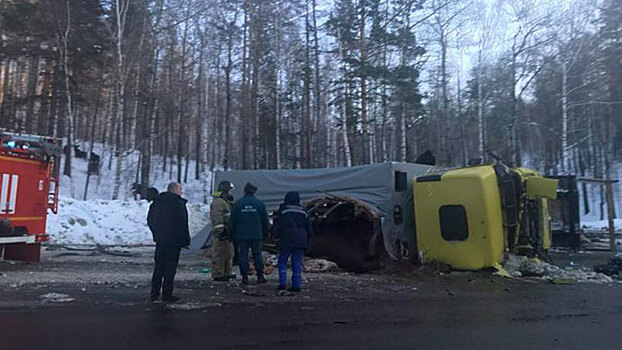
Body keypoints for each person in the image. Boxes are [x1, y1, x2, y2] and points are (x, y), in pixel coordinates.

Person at [147, 182, 190, 302]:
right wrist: (185, 240)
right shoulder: (178, 204)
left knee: (159, 267)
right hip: (174, 242)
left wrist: (157, 234)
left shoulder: (157, 202)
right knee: (170, 268)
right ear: (174, 190)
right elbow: (182, 224)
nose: (182, 192)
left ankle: (154, 293)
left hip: (161, 241)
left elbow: (151, 220)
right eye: (180, 189)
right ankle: (167, 293)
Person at [230, 182, 269, 285]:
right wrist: (266, 234)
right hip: (256, 234)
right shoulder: (259, 204)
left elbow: (232, 221)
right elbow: (265, 220)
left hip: (242, 234)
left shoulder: (238, 204)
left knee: (243, 255)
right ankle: (260, 276)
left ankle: (245, 278)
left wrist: (231, 235)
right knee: (257, 255)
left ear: (244, 191)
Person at [272, 192, 311, 292]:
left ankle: (282, 283)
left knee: (282, 260)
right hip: (301, 239)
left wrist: (275, 236)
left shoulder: (284, 210)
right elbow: (309, 228)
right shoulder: (304, 211)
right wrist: (308, 239)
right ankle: (296, 285)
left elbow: (279, 226)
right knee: (297, 262)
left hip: (287, 238)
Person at [210, 181, 235, 282]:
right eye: (229, 191)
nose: (230, 193)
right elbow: (217, 217)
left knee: (229, 253)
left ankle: (227, 272)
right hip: (221, 233)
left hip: (227, 232)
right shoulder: (218, 202)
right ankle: (218, 274)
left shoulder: (225, 202)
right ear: (225, 191)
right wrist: (220, 231)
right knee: (219, 253)